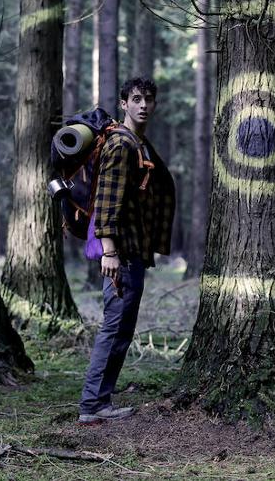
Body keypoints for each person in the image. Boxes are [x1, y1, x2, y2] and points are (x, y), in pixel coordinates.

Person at [78, 77, 176, 424]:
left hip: (133, 251)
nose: (144, 105)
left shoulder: (139, 143)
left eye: (149, 99)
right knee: (114, 326)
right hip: (121, 254)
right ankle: (92, 404)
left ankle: (99, 401)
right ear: (124, 104)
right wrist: (109, 251)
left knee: (121, 327)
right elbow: (107, 199)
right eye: (136, 99)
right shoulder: (121, 143)